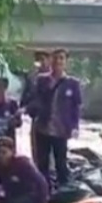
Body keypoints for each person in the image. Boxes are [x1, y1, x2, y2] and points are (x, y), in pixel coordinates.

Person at [25, 49, 82, 186]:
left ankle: (64, 191)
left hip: (61, 130)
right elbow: (34, 100)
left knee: (61, 162)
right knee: (42, 162)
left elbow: (76, 107)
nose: (58, 61)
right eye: (55, 58)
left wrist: (75, 127)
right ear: (51, 61)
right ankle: (44, 191)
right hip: (43, 128)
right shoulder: (42, 80)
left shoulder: (73, 84)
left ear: (66, 62)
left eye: (61, 58)